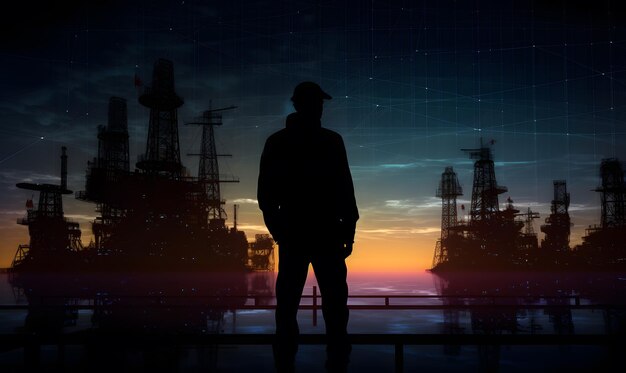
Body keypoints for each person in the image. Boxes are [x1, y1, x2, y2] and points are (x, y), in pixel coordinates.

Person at [258, 81, 359, 372]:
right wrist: (347, 232)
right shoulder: (331, 141)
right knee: (333, 303)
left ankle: (286, 359)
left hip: (295, 234)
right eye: (318, 103)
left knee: (289, 303)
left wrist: (280, 231)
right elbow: (345, 190)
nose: (321, 108)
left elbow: (266, 196)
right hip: (325, 233)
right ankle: (338, 359)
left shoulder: (278, 142)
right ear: (305, 105)